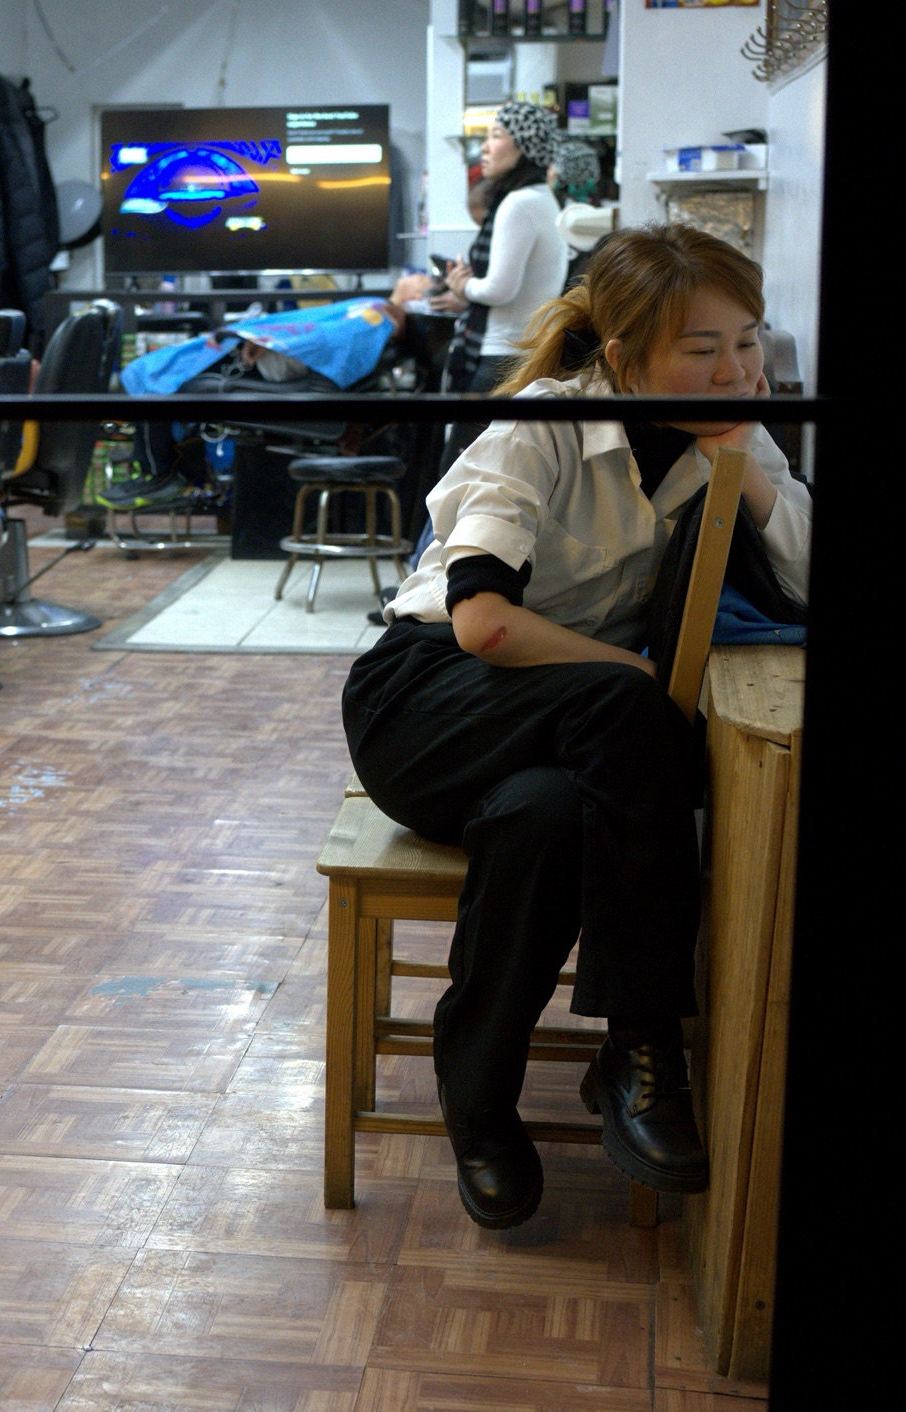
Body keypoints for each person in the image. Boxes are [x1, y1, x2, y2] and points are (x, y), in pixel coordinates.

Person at [338, 225, 811, 1229]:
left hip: (563, 735)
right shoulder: (543, 423)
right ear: (626, 355)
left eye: (750, 342)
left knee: (548, 817)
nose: (738, 370)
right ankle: (642, 1048)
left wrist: (749, 467)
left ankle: (478, 1100)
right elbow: (483, 622)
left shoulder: (719, 431)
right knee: (633, 711)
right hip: (425, 706)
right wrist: (636, 675)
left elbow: (810, 573)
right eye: (704, 349)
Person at [438, 101, 565, 421]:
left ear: (523, 146)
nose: (485, 147)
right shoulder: (541, 198)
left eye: (496, 135)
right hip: (521, 352)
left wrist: (464, 285)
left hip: (499, 355)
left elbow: (499, 290)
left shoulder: (518, 203)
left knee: (465, 467)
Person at [549, 136, 616, 291]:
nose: (549, 172)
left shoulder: (566, 215)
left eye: (553, 167)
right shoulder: (596, 210)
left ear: (564, 174)